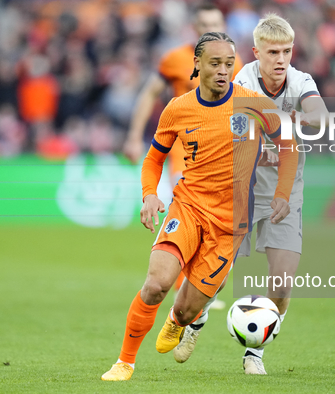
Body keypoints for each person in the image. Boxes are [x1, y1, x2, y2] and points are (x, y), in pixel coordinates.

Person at [101, 31, 299, 382]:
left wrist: (282, 192)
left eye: (229, 64)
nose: (223, 71)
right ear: (197, 65)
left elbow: (289, 145)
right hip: (188, 207)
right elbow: (153, 159)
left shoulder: (253, 104)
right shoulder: (177, 109)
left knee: (186, 308)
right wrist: (149, 194)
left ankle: (178, 321)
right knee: (157, 283)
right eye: (215, 64)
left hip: (231, 224)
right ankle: (124, 363)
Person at [172, 14, 328, 375]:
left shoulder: (301, 81)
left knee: (283, 280)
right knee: (220, 271)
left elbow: (319, 116)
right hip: (240, 182)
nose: (280, 60)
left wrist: (292, 124)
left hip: (285, 185)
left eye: (287, 51)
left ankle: (255, 351)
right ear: (256, 53)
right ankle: (195, 322)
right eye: (273, 52)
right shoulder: (241, 81)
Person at [124, 4, 244, 303]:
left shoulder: (235, 63)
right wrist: (134, 136)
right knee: (191, 207)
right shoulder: (175, 59)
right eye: (204, 23)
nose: (210, 28)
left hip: (219, 152)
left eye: (216, 23)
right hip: (183, 147)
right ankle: (181, 283)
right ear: (194, 26)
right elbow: (150, 93)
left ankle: (194, 283)